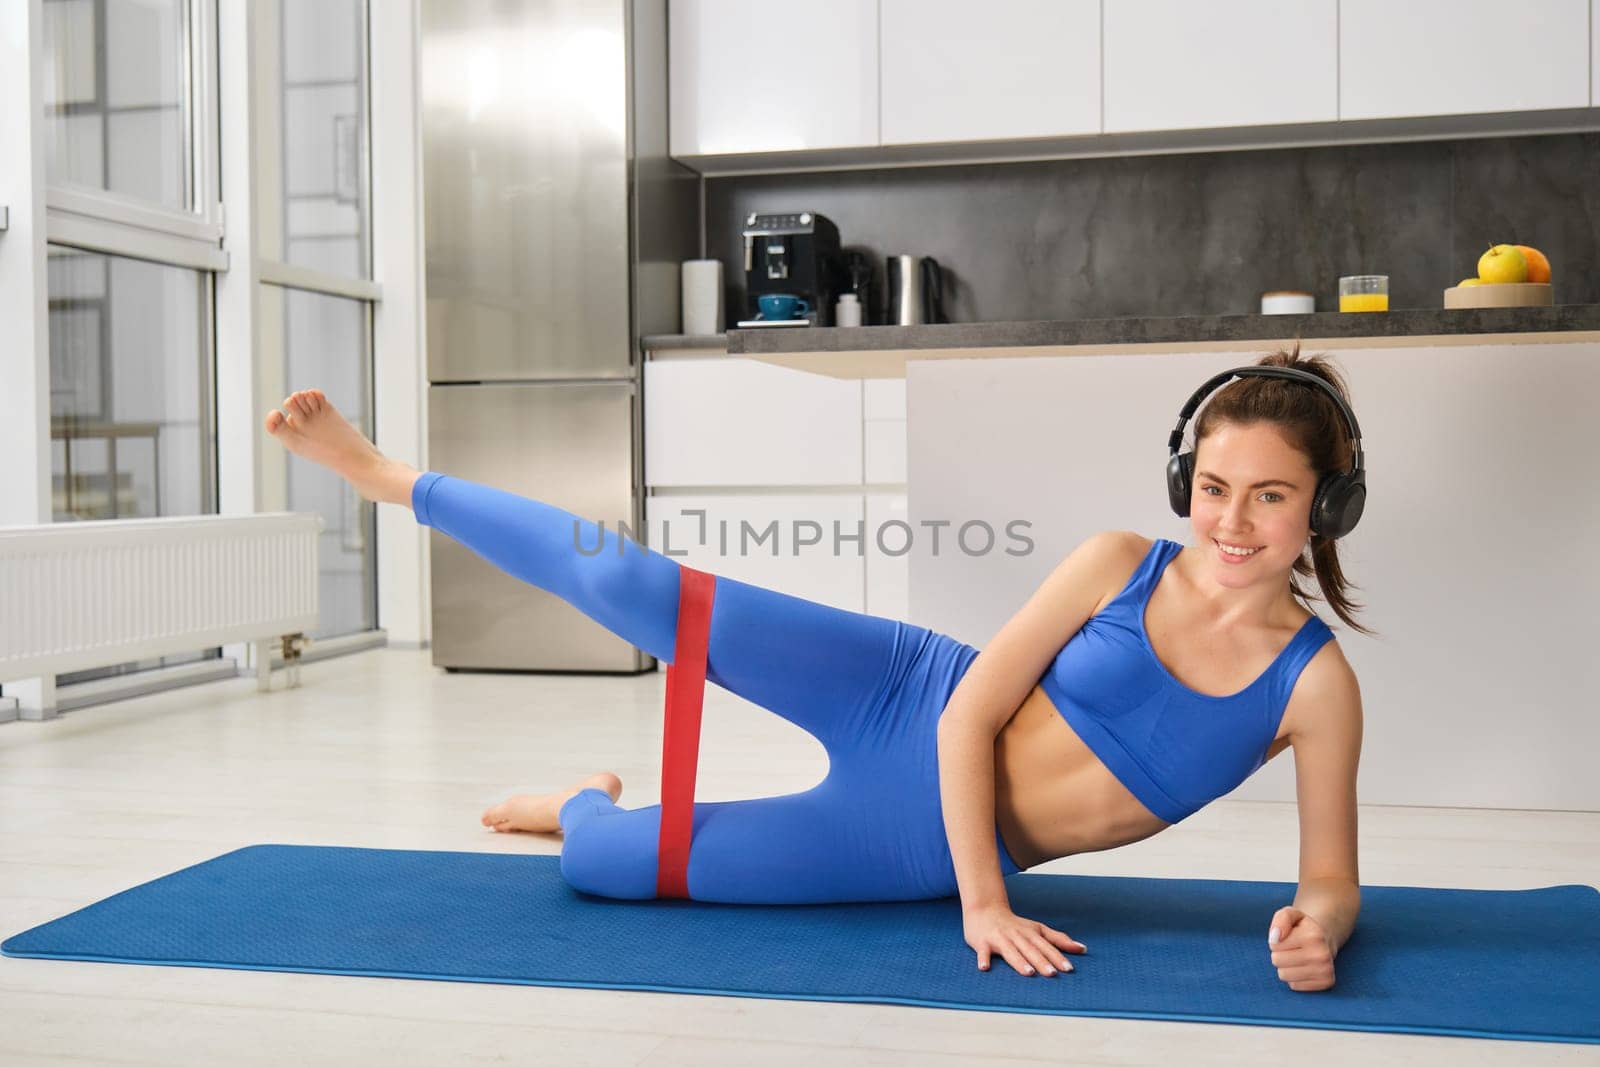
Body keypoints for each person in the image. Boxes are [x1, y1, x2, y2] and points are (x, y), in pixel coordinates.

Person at [263, 347, 1365, 994]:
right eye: (1214, 485)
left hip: (905, 838)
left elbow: (1330, 876)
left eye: (1270, 495)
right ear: (1185, 480)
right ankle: (388, 474)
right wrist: (985, 903)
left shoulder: (1313, 687)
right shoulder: (1117, 563)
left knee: (601, 869)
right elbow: (970, 713)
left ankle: (580, 804)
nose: (1232, 519)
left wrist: (1320, 927)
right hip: (907, 691)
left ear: (1322, 506)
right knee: (643, 587)